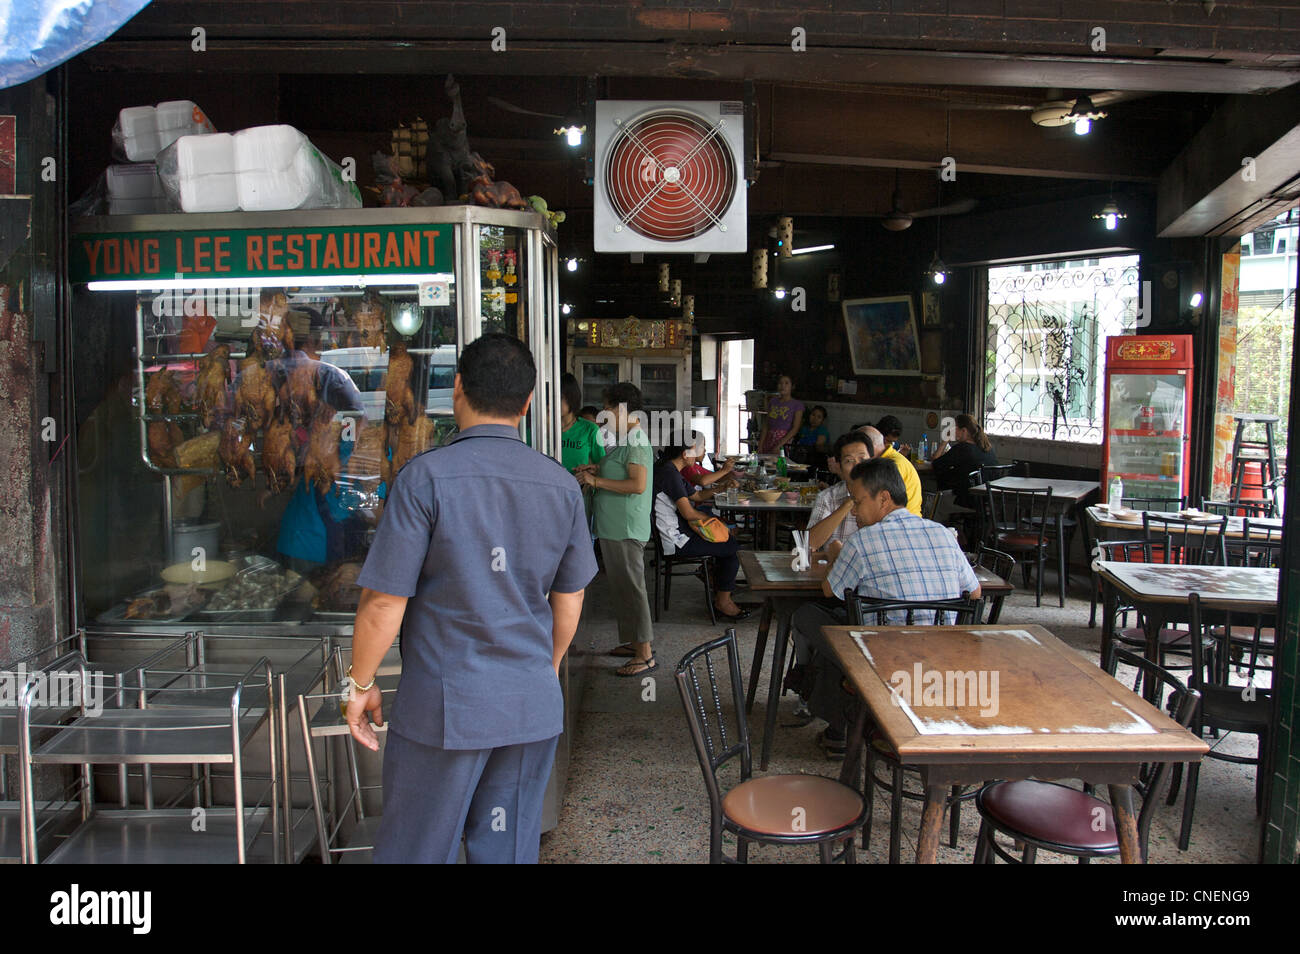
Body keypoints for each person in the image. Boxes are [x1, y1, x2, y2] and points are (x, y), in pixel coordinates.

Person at [345, 333, 597, 864]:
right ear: (527, 405)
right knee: (505, 850)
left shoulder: (425, 479)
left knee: (416, 849)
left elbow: (383, 604)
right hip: (528, 705)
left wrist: (361, 684)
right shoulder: (561, 485)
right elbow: (568, 602)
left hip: (445, 708)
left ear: (457, 388)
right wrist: (542, 669)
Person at [791, 458, 981, 757]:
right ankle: (844, 723)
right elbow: (975, 591)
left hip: (882, 659)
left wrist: (837, 552)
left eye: (857, 501)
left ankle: (840, 719)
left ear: (884, 498)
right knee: (844, 628)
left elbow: (830, 590)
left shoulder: (862, 541)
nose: (853, 511)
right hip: (943, 658)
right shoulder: (943, 533)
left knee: (809, 617)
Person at [577, 383, 656, 676]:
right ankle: (635, 643)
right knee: (623, 589)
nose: (603, 414)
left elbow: (637, 484)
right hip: (614, 528)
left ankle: (645, 654)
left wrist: (597, 482)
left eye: (607, 407)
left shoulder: (636, 440)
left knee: (632, 589)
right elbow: (620, 470)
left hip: (625, 528)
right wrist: (597, 470)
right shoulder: (624, 440)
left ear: (623, 409)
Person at [653, 442, 751, 621]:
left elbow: (696, 496)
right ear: (684, 454)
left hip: (678, 532)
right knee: (731, 548)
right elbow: (689, 513)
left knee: (725, 540)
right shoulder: (669, 474)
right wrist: (716, 523)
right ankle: (723, 601)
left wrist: (721, 488)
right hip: (676, 541)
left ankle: (717, 584)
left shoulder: (670, 469)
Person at [805, 432, 871, 551]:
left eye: (862, 459)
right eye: (849, 461)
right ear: (839, 466)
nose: (857, 466)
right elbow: (809, 544)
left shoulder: (883, 496)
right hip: (833, 566)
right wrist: (848, 503)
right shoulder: (827, 497)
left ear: (873, 461)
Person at [931, 413, 998, 509]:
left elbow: (935, 464)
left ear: (963, 431)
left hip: (967, 501)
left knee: (935, 503)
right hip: (988, 501)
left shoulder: (962, 448)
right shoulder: (987, 447)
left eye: (955, 428)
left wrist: (945, 441)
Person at [857, 424, 922, 515]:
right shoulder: (885, 460)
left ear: (868, 447)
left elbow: (877, 503)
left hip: (904, 522)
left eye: (858, 450)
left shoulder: (891, 465)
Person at [758, 374, 804, 454]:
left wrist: (780, 444)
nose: (783, 386)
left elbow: (795, 428)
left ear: (792, 386)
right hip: (769, 438)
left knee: (778, 464)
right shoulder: (773, 402)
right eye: (780, 383)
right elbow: (766, 424)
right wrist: (760, 444)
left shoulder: (797, 404)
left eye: (786, 383)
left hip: (784, 440)